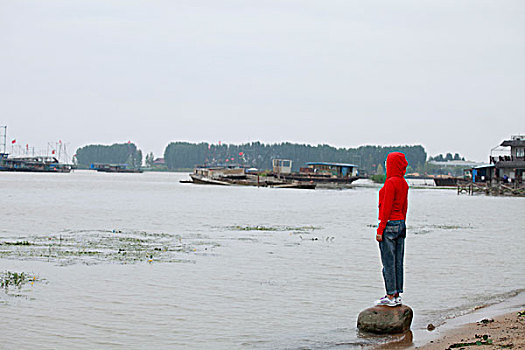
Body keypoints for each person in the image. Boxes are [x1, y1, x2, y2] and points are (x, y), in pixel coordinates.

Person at [375, 152, 409, 307]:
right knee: (398, 261)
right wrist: (403, 223)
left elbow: (386, 207)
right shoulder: (403, 183)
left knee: (388, 262)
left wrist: (380, 229)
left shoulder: (390, 183)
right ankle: (397, 294)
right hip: (401, 223)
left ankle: (389, 296)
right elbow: (404, 206)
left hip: (389, 224)